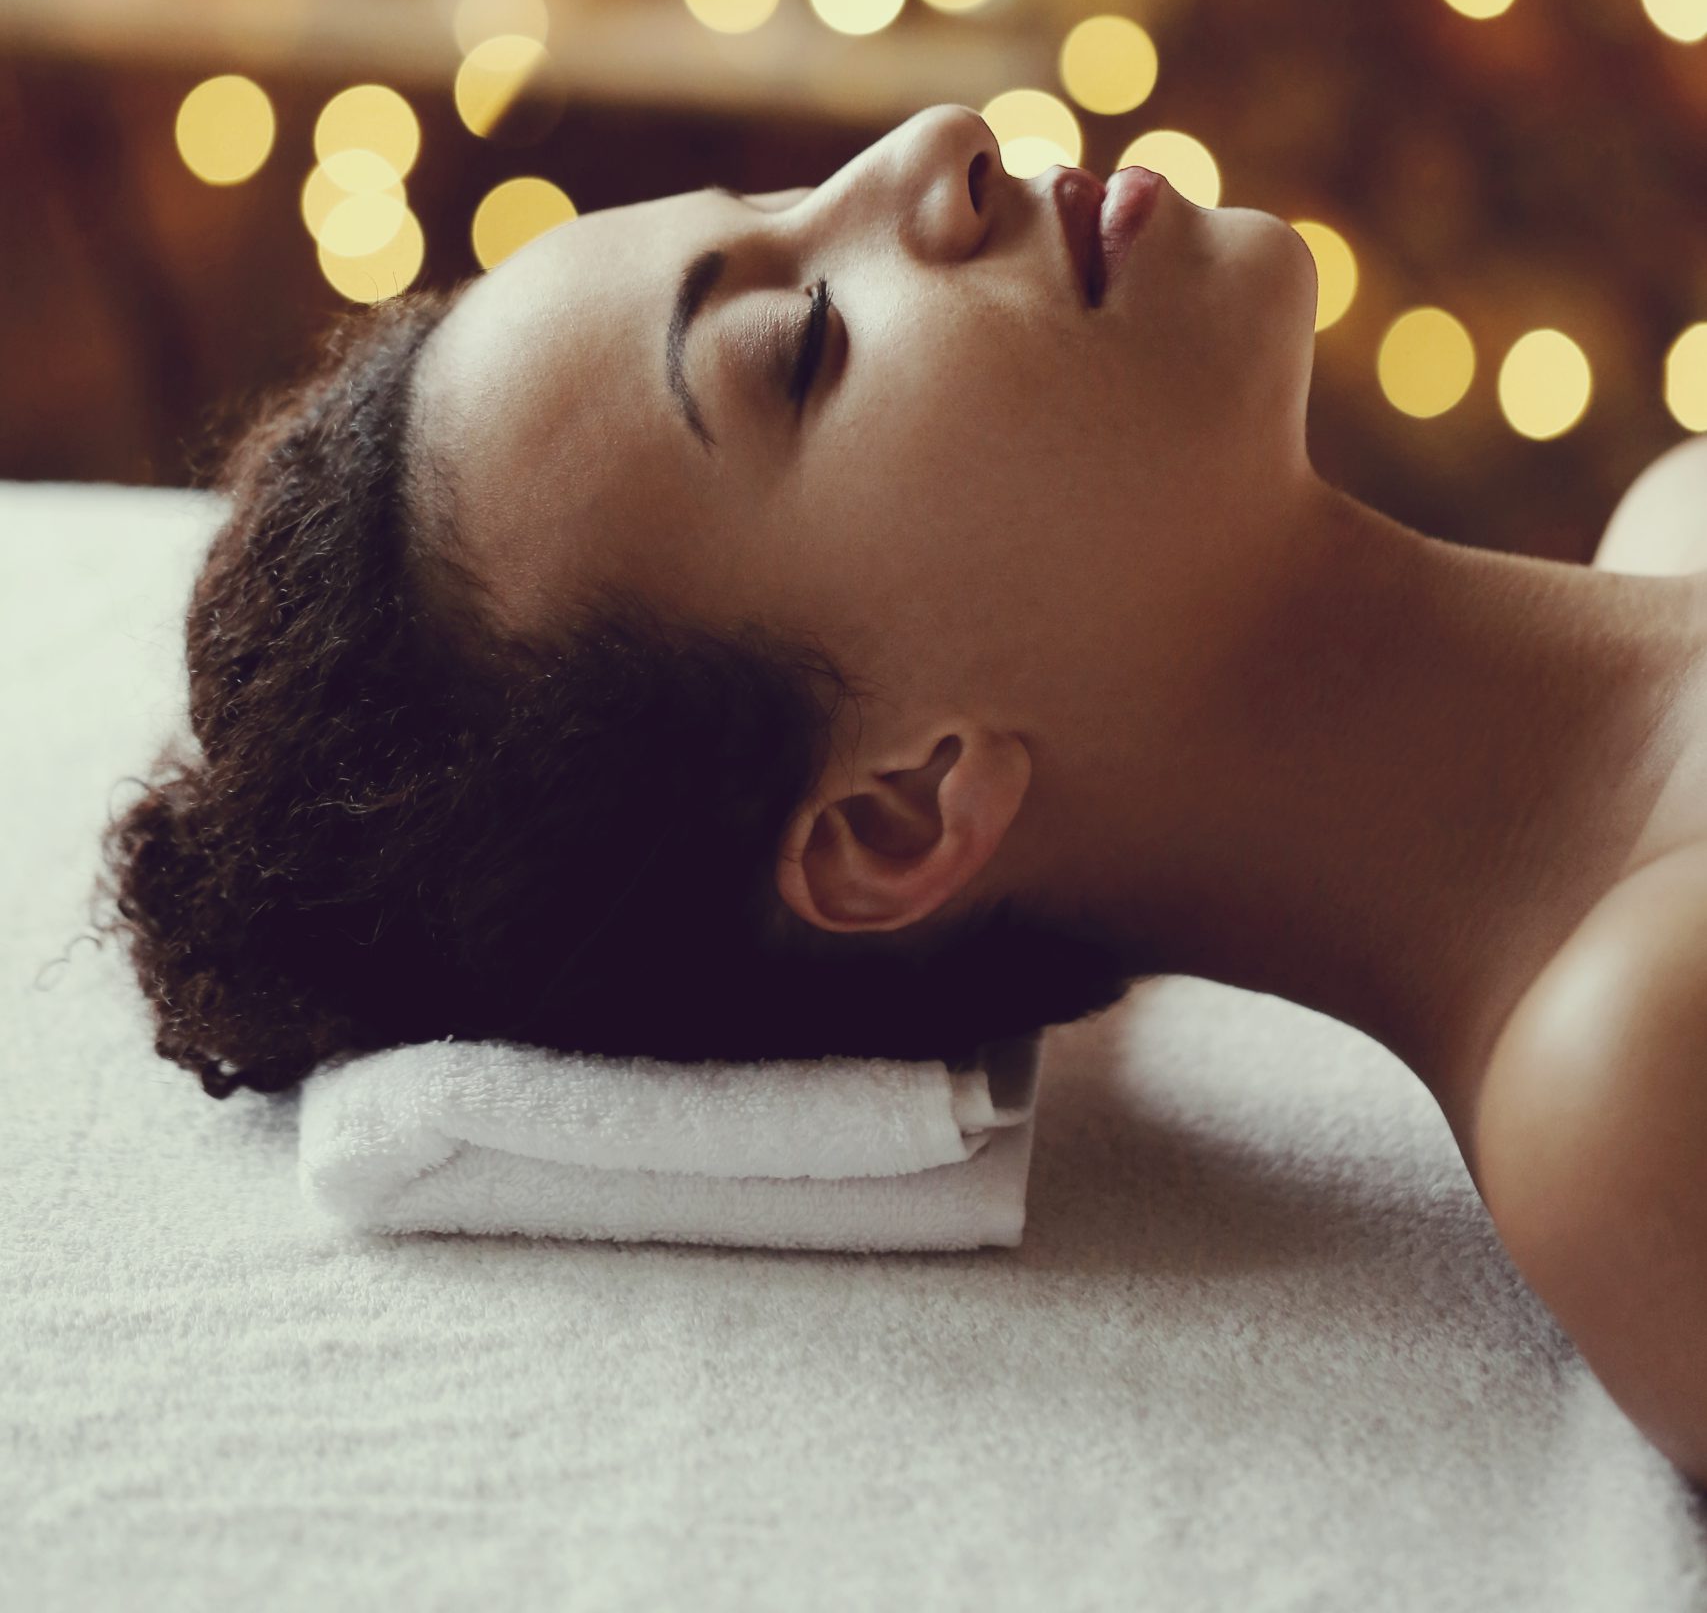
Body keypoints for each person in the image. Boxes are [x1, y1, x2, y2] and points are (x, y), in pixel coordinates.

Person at [91, 101, 1707, 1190]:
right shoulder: (1645, 1086)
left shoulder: (1678, 512)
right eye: (803, 347)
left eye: (790, 203)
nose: (933, 148)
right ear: (899, 817)